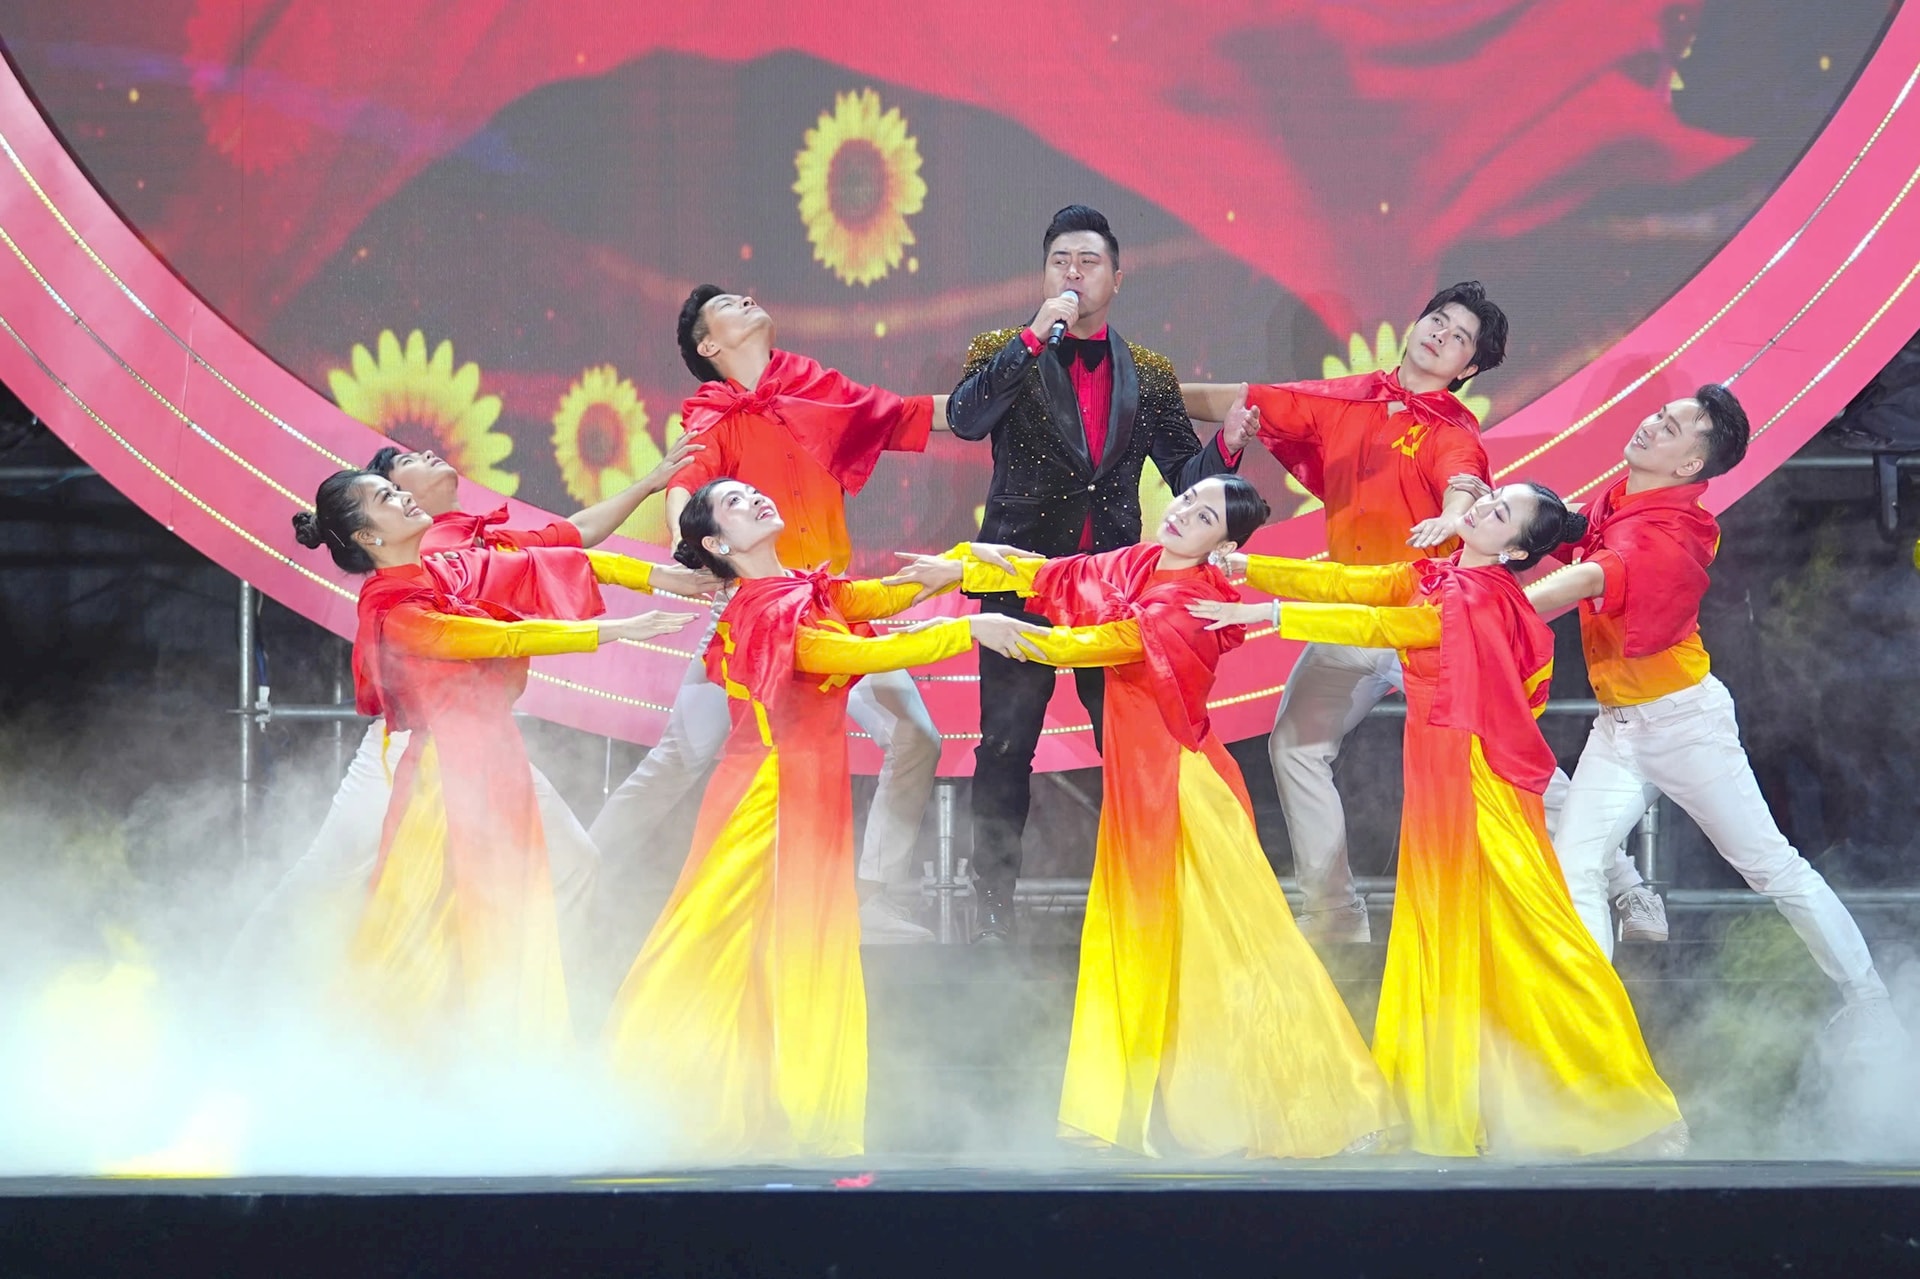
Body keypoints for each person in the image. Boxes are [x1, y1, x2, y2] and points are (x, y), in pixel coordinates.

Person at [889, 476, 1398, 1157]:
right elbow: (1056, 574)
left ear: (1224, 545)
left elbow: (1090, 646)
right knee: (1135, 943)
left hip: (1185, 789)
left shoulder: (1196, 604)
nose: (1184, 512)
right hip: (1139, 785)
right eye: (1188, 499)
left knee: (1246, 947)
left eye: (1205, 515)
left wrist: (983, 628)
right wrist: (961, 570)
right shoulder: (1139, 560)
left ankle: (1336, 1107)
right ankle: (1120, 1117)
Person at [1193, 481, 1685, 1157]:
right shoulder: (1442, 573)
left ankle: (1632, 1107)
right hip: (1439, 776)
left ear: (1513, 550)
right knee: (1439, 938)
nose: (1481, 508)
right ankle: (1445, 1109)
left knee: (1535, 937)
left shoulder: (1480, 598)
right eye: (1490, 499)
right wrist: (1250, 567)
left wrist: (1271, 613)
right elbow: (1355, 584)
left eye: (1500, 513)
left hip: (1481, 781)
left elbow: (1387, 627)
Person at [602, 480, 1043, 1159]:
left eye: (754, 491)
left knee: (793, 948)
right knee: (721, 940)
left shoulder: (805, 591)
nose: (756, 499)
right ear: (717, 544)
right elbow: (844, 654)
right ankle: (661, 1100)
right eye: (734, 503)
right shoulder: (755, 609)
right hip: (765, 796)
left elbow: (882, 597)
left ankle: (782, 1111)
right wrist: (964, 628)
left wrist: (963, 564)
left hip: (808, 793)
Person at [225, 441, 708, 988]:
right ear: (372, 529)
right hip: (417, 748)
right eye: (396, 480)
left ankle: (527, 1006)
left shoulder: (454, 554)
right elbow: (504, 632)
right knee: (349, 877)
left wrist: (660, 560)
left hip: (485, 742)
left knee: (569, 864)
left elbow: (563, 550)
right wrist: (615, 625)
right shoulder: (408, 582)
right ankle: (245, 987)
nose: (424, 461)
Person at [1513, 386, 1906, 1059]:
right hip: (1620, 728)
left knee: (1770, 865)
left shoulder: (1663, 536)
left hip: (1685, 726)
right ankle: (1588, 1024)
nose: (1650, 425)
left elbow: (1588, 577)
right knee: (1574, 862)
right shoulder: (1629, 502)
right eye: (1659, 415)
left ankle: (1870, 1002)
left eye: (1670, 428)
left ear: (1691, 465)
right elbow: (1588, 536)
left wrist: (1488, 604)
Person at [591, 286, 953, 944]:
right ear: (709, 344)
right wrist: (692, 551)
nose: (749, 298)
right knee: (680, 759)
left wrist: (1017, 381)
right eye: (729, 303)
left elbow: (913, 415)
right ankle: (575, 878)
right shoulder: (713, 416)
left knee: (917, 735)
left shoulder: (817, 390)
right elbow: (685, 492)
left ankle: (866, 897)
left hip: (828, 605)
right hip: (751, 618)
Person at [949, 204, 1250, 941]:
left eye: (1088, 262)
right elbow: (964, 419)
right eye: (1060, 261)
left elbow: (1184, 476)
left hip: (1114, 591)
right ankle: (992, 907)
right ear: (1043, 274)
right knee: (1005, 746)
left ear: (1117, 277)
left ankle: (1146, 893)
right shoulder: (1003, 348)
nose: (1073, 273)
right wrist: (1032, 336)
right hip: (1019, 579)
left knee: (1128, 742)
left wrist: (1228, 449)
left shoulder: (1148, 371)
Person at [1182, 282, 1508, 942]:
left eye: (1459, 338)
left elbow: (1465, 479)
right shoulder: (1349, 400)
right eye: (1437, 321)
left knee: (1501, 757)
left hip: (1428, 626)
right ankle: (1334, 915)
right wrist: (1142, 391)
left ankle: (1611, 875)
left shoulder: (1451, 429)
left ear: (1468, 367)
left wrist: (1453, 515)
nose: (1440, 336)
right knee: (1296, 746)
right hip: (1354, 614)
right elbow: (1244, 400)